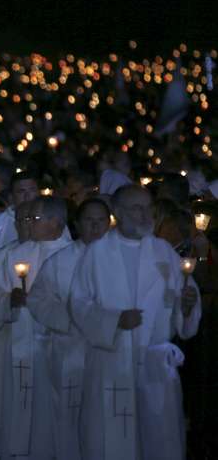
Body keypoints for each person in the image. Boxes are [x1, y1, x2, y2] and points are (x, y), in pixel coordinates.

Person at [70, 184, 201, 460]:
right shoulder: (97, 253)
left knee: (159, 440)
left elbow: (180, 298)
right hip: (112, 360)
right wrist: (114, 320)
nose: (144, 215)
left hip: (154, 361)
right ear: (118, 212)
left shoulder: (163, 251)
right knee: (116, 441)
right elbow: (79, 305)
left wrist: (186, 306)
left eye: (148, 208)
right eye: (136, 208)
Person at [0, 196, 72, 459]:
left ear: (55, 222)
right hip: (17, 341)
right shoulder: (11, 255)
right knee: (18, 404)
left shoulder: (74, 255)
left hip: (57, 346)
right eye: (25, 219)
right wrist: (8, 300)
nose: (28, 225)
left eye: (34, 219)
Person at [27, 198, 111, 459]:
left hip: (109, 354)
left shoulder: (121, 260)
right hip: (70, 351)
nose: (95, 227)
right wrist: (70, 318)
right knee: (69, 417)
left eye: (101, 221)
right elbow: (39, 300)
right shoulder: (59, 262)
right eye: (89, 221)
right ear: (77, 224)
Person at [0, 170, 39, 262]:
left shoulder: (50, 219)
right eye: (21, 191)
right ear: (11, 196)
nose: (28, 196)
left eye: (32, 190)